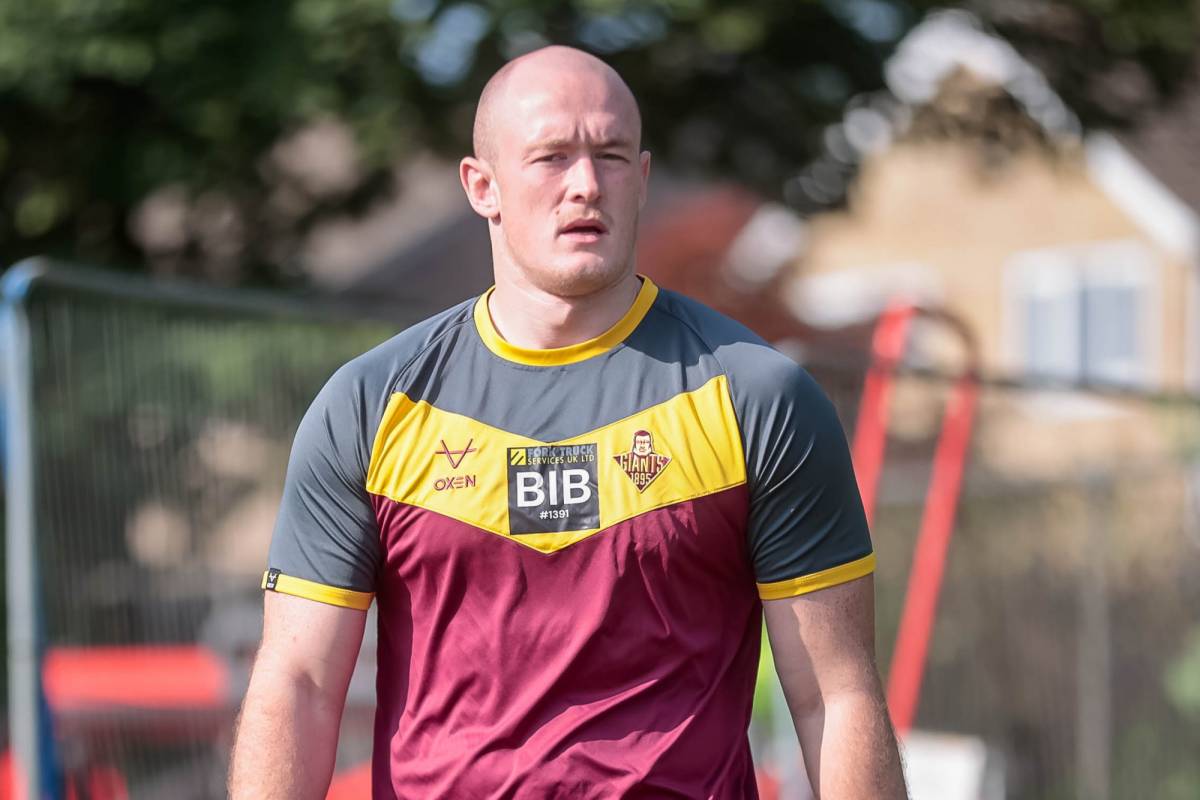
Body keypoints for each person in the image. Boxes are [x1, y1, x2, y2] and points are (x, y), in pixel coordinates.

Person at [229, 45, 907, 799]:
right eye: (551, 157)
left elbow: (834, 697)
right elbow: (298, 683)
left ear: (641, 178)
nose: (585, 184)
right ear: (482, 186)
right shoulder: (371, 405)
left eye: (611, 156)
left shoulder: (762, 398)